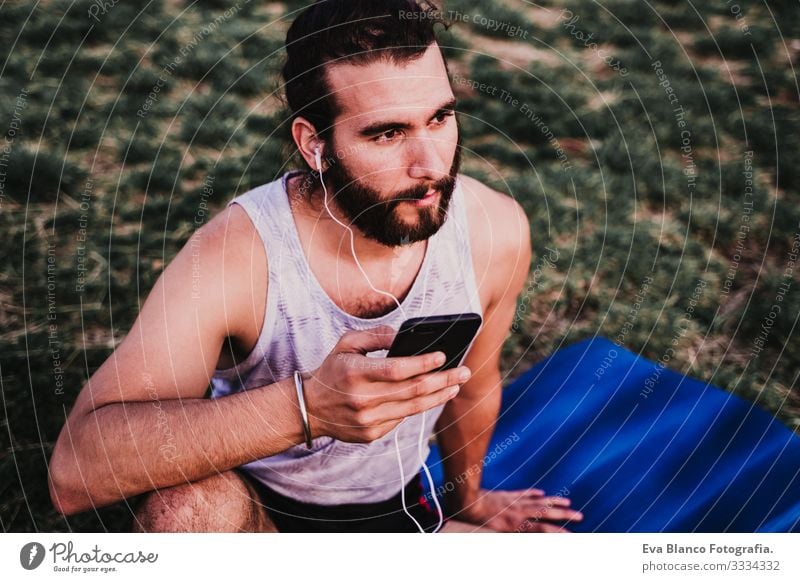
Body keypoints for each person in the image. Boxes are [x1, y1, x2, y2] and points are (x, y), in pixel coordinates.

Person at [48, 0, 583, 533]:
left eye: (440, 118)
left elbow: (472, 383)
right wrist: (307, 409)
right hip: (258, 511)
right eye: (387, 134)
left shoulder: (495, 228)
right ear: (315, 144)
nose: (431, 166)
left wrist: (470, 503)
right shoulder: (237, 257)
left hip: (398, 512)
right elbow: (76, 471)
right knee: (186, 511)